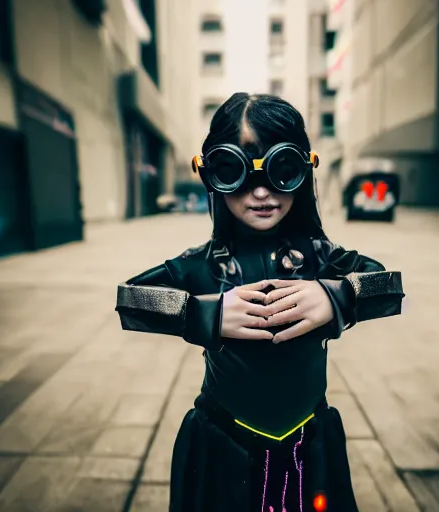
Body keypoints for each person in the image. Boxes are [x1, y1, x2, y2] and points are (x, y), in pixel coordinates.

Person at [115, 93, 405, 512]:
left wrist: (335, 297)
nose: (262, 192)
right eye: (235, 170)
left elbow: (388, 287)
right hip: (223, 443)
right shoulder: (204, 264)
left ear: (303, 171)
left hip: (306, 444)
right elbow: (132, 301)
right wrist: (207, 313)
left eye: (282, 169)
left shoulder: (319, 257)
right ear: (212, 174)